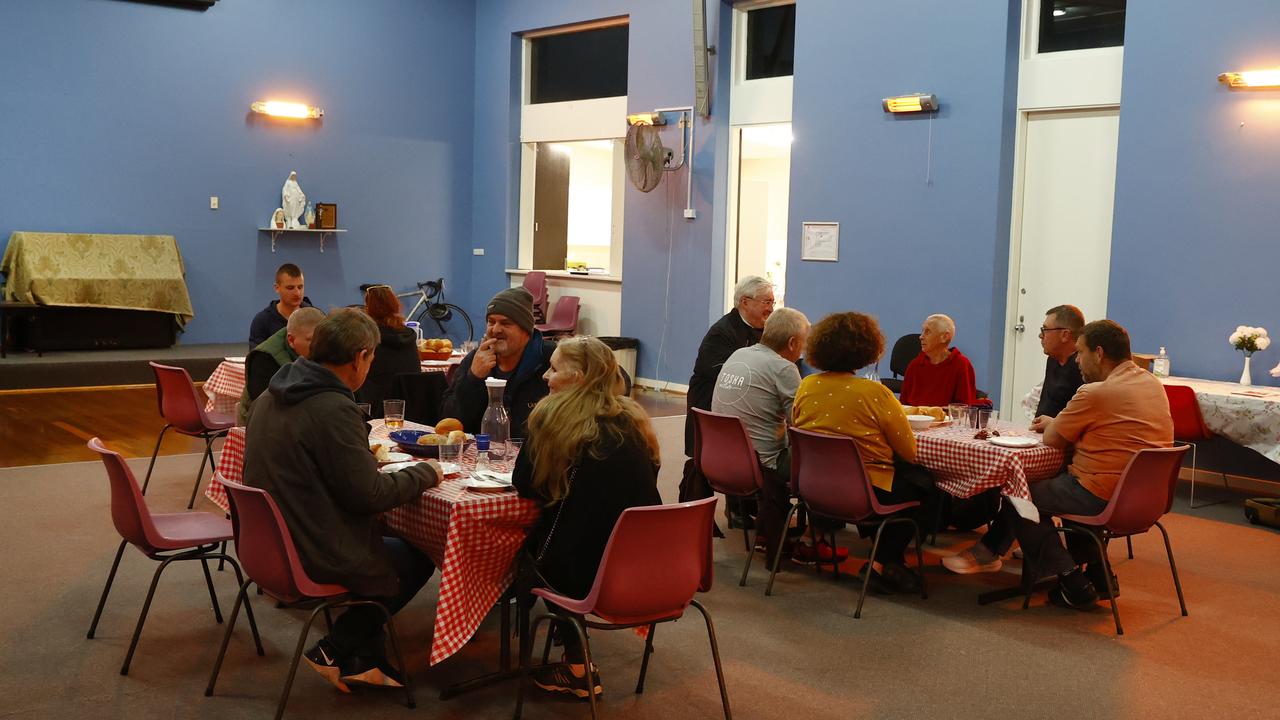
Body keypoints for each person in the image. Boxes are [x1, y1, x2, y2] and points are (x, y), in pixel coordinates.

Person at [243, 308, 440, 690]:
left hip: (268, 545)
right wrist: (426, 473)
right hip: (311, 549)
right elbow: (371, 495)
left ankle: (364, 660)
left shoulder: (272, 393)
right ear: (359, 357)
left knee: (387, 542)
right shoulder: (332, 407)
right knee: (415, 557)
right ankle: (336, 647)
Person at [943, 320, 1174, 608]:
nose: (1078, 361)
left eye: (1081, 352)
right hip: (1146, 498)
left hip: (1101, 495)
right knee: (1061, 483)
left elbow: (1053, 439)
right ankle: (1100, 575)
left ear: (1099, 353)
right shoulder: (1153, 385)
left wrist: (1054, 423)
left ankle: (1071, 580)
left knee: (1020, 497)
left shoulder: (1095, 393)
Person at [513, 336, 662, 700]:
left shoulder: (553, 417)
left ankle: (578, 665)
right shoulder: (634, 419)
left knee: (530, 547)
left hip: (585, 574)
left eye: (554, 369)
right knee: (576, 531)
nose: (546, 377)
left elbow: (525, 485)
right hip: (656, 569)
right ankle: (570, 648)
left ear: (577, 378)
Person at [792, 311, 931, 592]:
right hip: (863, 491)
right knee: (928, 487)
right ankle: (883, 561)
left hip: (814, 488)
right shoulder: (875, 393)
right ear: (868, 348)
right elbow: (909, 451)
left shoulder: (806, 385)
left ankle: (884, 558)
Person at [711, 307, 809, 561]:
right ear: (792, 342)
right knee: (822, 458)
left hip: (721, 458)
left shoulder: (738, 354)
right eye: (803, 342)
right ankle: (815, 531)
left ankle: (773, 529)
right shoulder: (783, 368)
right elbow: (800, 424)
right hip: (762, 463)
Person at [680, 276, 775, 529]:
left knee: (743, 452)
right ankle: (698, 516)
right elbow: (717, 371)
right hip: (709, 402)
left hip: (739, 402)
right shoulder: (722, 332)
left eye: (773, 302)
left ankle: (742, 509)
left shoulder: (762, 329)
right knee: (708, 457)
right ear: (745, 302)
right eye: (766, 302)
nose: (771, 308)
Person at [442, 287, 553, 437]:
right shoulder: (476, 359)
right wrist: (473, 379)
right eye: (491, 322)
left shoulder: (550, 360)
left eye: (506, 323)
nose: (496, 330)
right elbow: (451, 421)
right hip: (482, 455)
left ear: (526, 330)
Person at [238, 306, 324, 425]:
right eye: (310, 340)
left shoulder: (327, 347)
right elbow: (265, 409)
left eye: (322, 339)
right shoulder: (263, 358)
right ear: (291, 340)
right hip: (261, 424)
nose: (318, 345)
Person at [354, 285, 422, 417]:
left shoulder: (368, 339)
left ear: (368, 308)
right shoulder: (409, 336)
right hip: (411, 409)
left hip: (373, 410)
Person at [898, 313, 978, 407]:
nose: (921, 337)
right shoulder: (915, 365)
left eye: (927, 332)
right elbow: (903, 406)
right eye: (922, 331)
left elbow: (963, 410)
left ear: (944, 337)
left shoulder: (961, 365)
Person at [1030, 304, 1086, 425]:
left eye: (1045, 330)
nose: (1040, 335)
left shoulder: (1084, 366)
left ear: (1065, 335)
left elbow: (1080, 420)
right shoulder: (1053, 359)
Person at [248, 263, 314, 347]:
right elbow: (256, 357)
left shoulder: (315, 317)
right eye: (290, 288)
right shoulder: (262, 321)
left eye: (300, 287)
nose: (297, 293)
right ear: (277, 288)